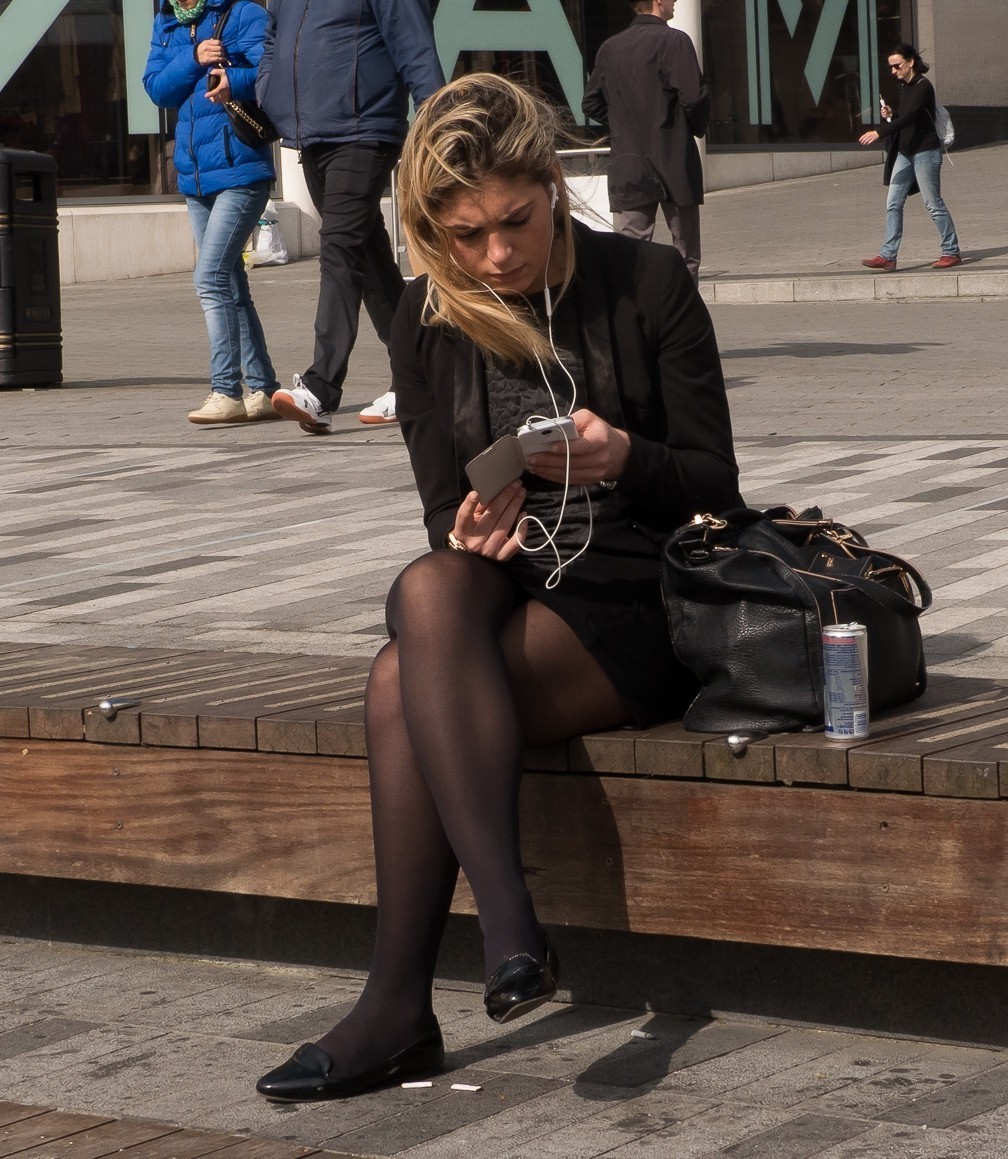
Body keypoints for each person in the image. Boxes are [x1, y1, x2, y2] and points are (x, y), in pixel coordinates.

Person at [254, 73, 741, 1103]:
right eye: (464, 235)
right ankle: (496, 934)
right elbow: (443, 515)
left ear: (555, 186)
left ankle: (413, 993)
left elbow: (715, 489)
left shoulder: (647, 284)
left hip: (635, 602)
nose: (495, 254)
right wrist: (478, 532)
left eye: (513, 222)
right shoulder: (429, 325)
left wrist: (621, 457)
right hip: (511, 595)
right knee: (431, 586)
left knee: (398, 681)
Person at [256, 0, 444, 434]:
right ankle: (422, 373)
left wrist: (440, 121)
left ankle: (321, 387)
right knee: (371, 259)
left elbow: (414, 46)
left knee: (339, 250)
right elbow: (272, 39)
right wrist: (269, 91)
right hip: (310, 135)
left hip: (365, 131)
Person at [144, 0, 281, 426]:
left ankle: (226, 390)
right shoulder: (166, 22)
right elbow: (156, 89)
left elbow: (270, 75)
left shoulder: (242, 13)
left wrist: (232, 80)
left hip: (241, 170)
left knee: (210, 276)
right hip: (195, 176)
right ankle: (263, 389)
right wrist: (193, 57)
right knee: (230, 281)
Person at [582, 0, 709, 285]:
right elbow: (695, 98)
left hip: (628, 161)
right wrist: (687, 127)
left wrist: (623, 123)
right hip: (673, 156)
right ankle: (684, 319)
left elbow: (590, 103)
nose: (675, 1)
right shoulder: (674, 41)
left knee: (629, 253)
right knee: (686, 253)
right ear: (657, 1)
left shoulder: (610, 48)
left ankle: (633, 321)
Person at [858, 42, 962, 271]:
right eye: (891, 67)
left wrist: (879, 131)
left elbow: (912, 117)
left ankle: (951, 251)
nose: (893, 71)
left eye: (897, 66)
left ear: (911, 62)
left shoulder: (924, 86)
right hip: (905, 153)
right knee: (893, 202)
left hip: (926, 152)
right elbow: (904, 116)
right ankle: (888, 255)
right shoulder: (904, 87)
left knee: (933, 203)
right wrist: (892, 113)